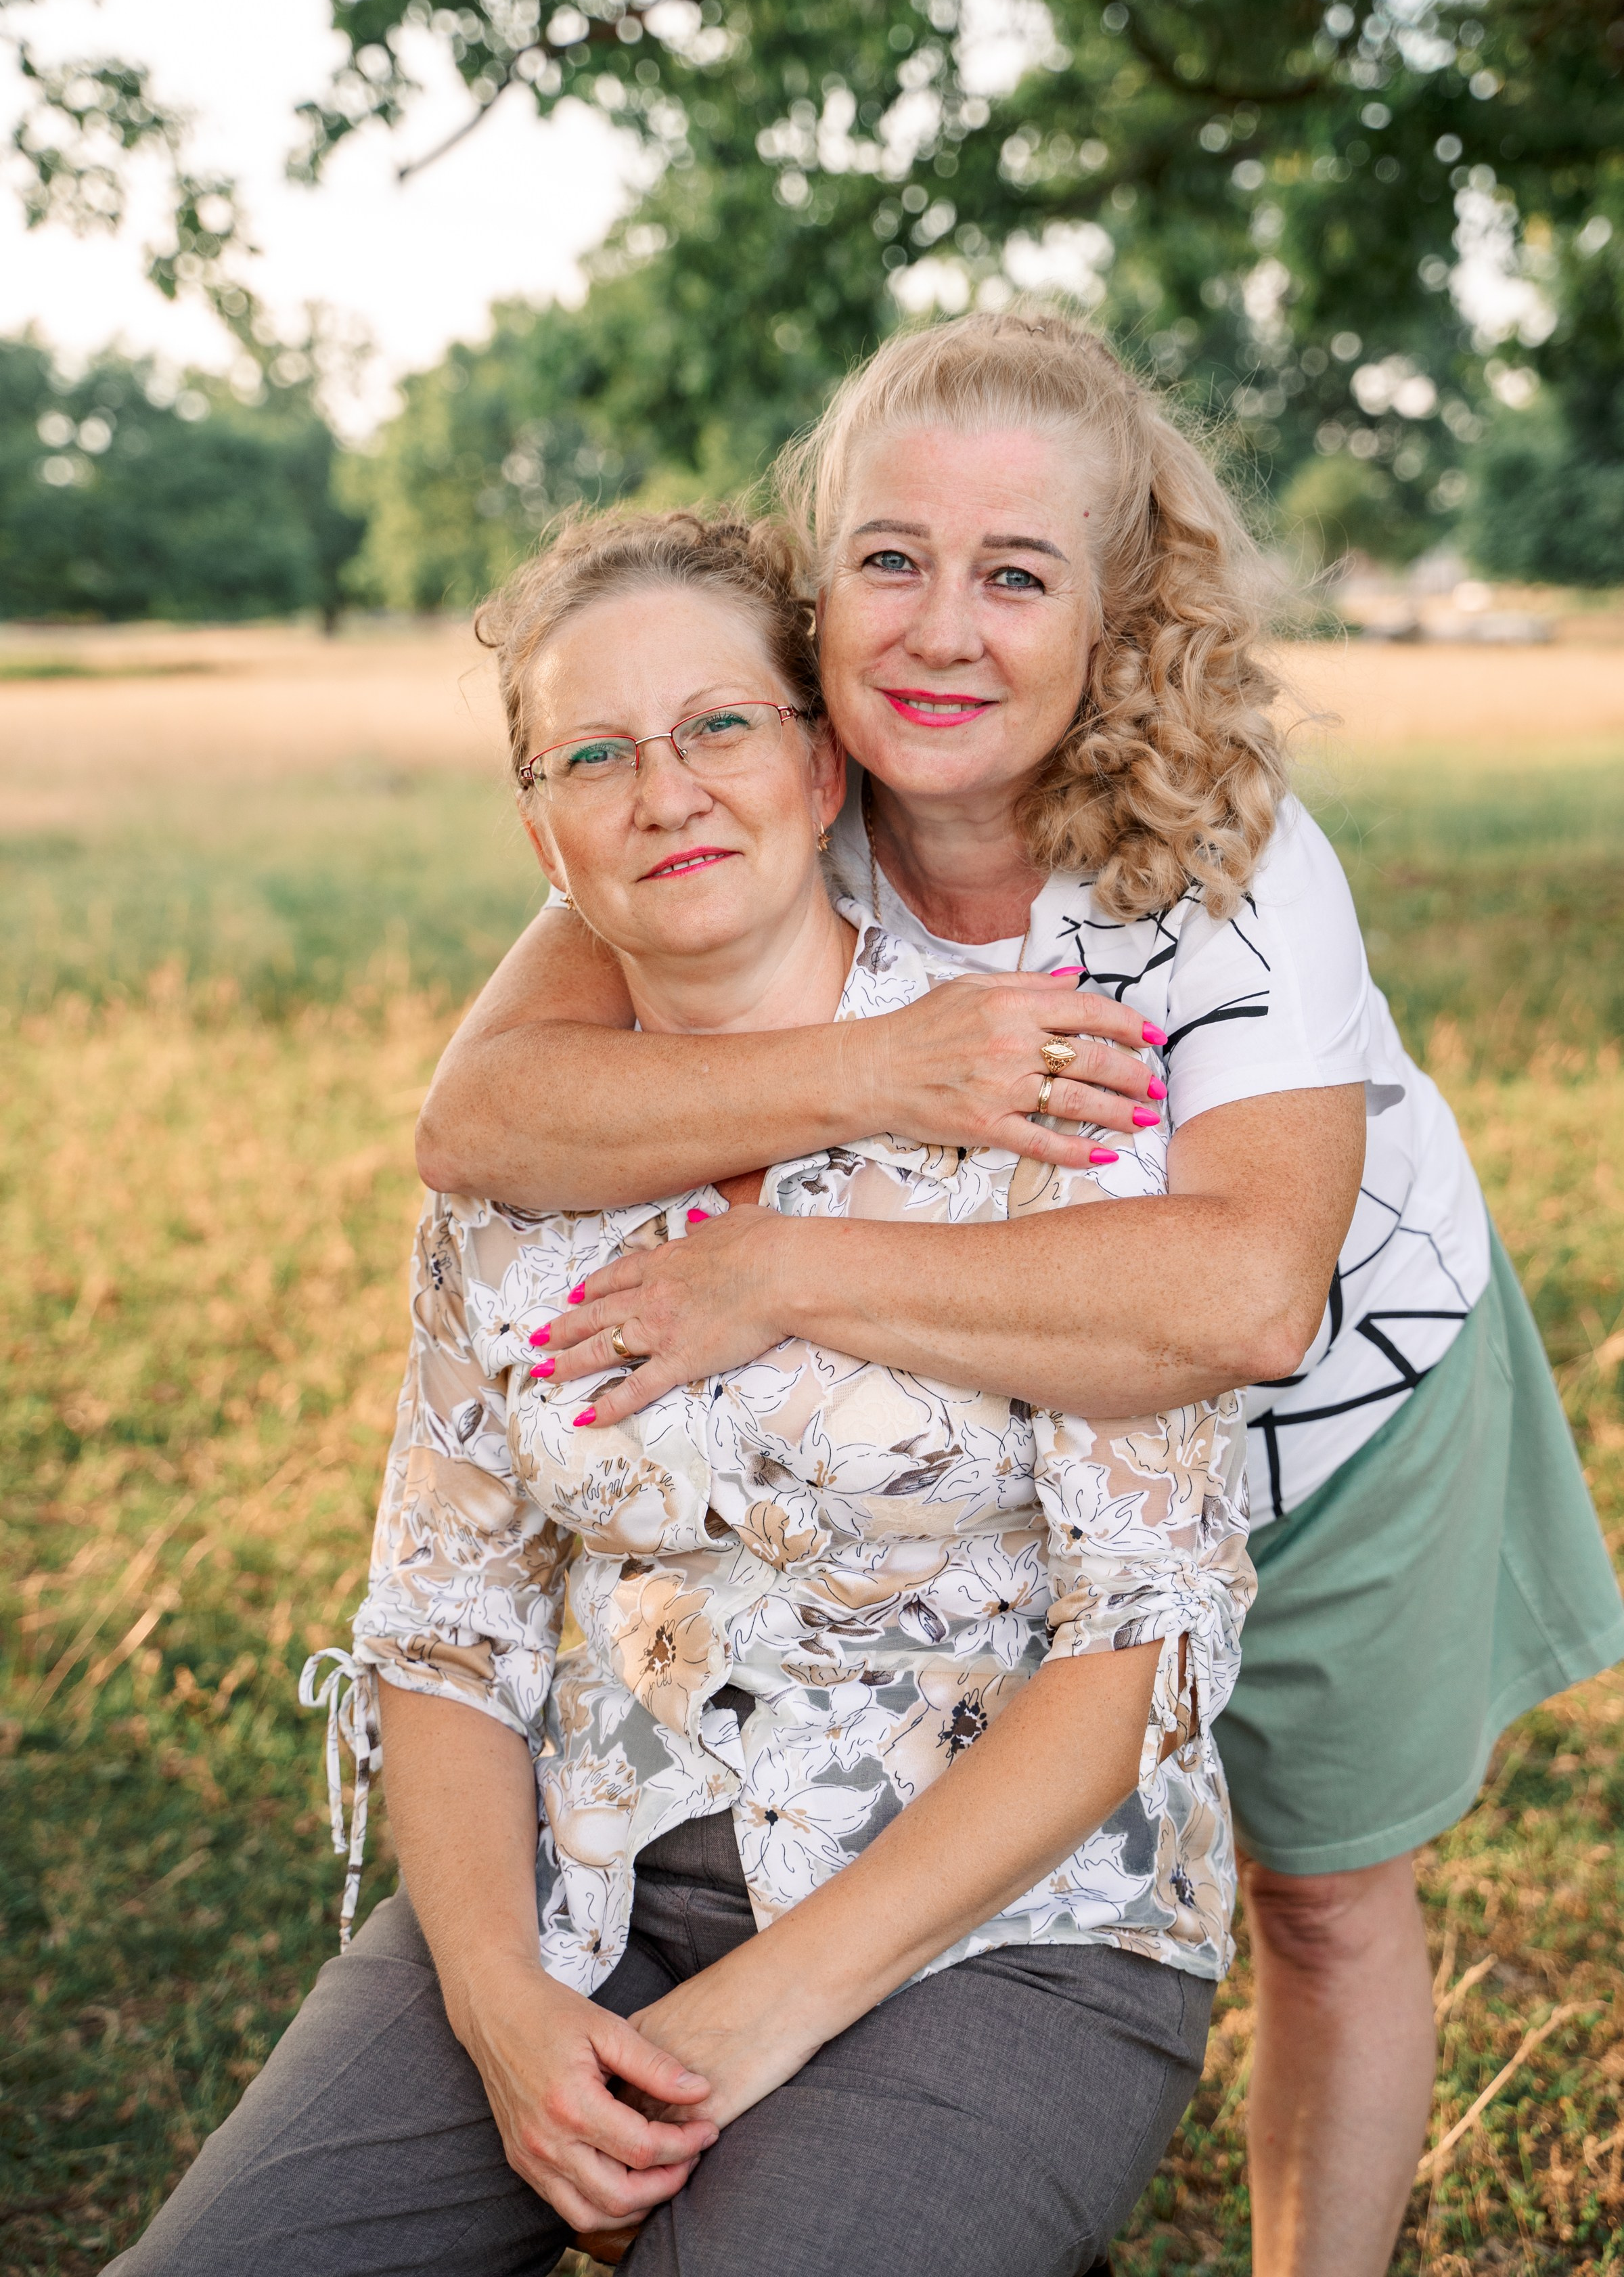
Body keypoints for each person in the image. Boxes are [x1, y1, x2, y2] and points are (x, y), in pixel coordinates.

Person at [412, 308, 1624, 2277]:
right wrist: (884, 1072)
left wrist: (783, 1265)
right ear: (817, 595)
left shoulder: (1230, 857)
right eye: (890, 560)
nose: (942, 631)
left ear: (1115, 607)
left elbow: (1245, 1298)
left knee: (1324, 1898)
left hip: (1335, 1415)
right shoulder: (757, 786)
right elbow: (483, 1119)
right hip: (1014, 1436)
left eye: (1017, 575)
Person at [108, 507, 1253, 2277]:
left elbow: (1146, 1634)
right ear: (541, 836)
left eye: (720, 726)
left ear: (821, 772)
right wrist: (497, 2003)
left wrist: (754, 2017)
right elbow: (444, 1621)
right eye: (595, 755)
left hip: (1005, 1921)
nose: (666, 793)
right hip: (585, 1876)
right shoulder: (518, 1163)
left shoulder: (1034, 1086)